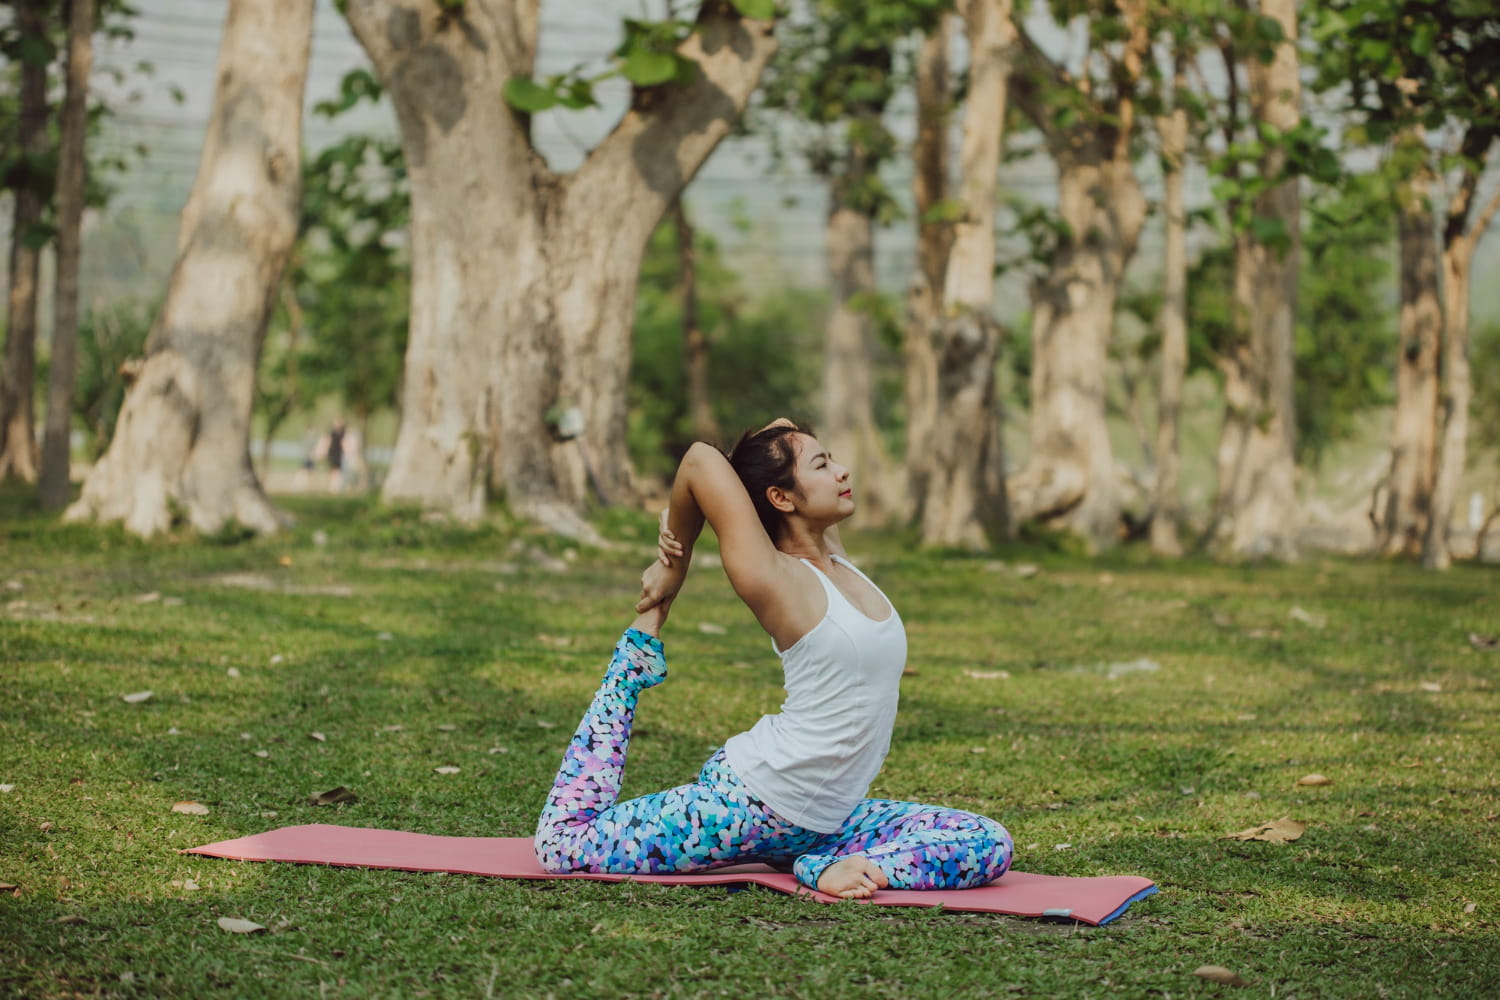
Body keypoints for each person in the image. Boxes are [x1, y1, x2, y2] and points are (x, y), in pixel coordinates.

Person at [533, 420, 1013, 899]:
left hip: (827, 820)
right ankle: (631, 665)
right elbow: (701, 459)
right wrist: (670, 571)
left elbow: (780, 427)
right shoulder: (776, 577)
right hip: (747, 808)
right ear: (781, 499)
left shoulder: (836, 559)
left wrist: (788, 450)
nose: (843, 472)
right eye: (823, 465)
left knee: (987, 841)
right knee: (561, 845)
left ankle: (834, 865)